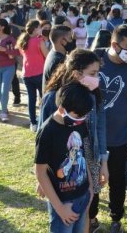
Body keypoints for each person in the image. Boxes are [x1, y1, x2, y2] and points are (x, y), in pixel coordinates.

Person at [98, 25, 127, 233]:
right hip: (92, 136)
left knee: (117, 181)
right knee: (92, 181)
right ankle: (91, 219)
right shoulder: (95, 60)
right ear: (114, 44)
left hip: (120, 137)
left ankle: (116, 217)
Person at [35, 83, 93, 233]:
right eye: (78, 116)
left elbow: (84, 157)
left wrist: (90, 188)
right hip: (63, 202)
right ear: (62, 110)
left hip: (83, 194)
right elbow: (40, 172)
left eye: (84, 115)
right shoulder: (48, 132)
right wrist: (60, 208)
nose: (82, 119)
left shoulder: (79, 123)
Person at [16, 20, 49, 132]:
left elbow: (23, 55)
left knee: (31, 99)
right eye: (40, 27)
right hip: (39, 73)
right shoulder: (39, 40)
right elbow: (47, 55)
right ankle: (43, 120)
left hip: (27, 74)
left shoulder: (23, 40)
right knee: (44, 97)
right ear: (35, 29)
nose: (41, 29)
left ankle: (33, 123)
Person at [42, 26, 75, 92]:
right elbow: (62, 88)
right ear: (63, 41)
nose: (73, 41)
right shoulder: (59, 61)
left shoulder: (53, 53)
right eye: (70, 38)